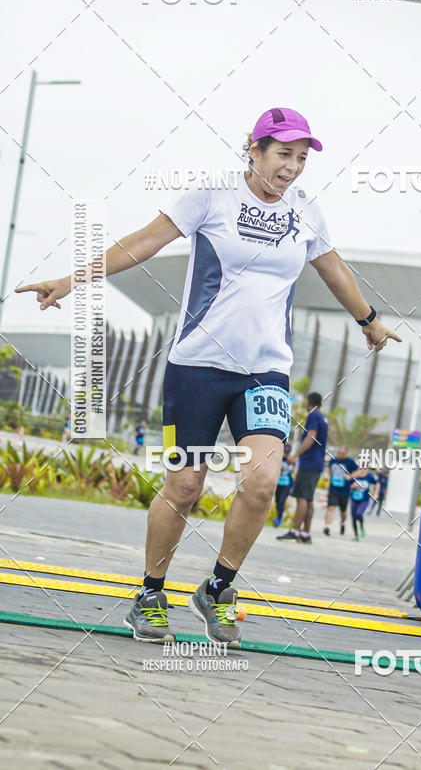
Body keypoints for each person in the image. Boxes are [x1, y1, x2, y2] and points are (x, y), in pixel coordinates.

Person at [15, 106, 401, 646]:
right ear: (255, 150)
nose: (292, 167)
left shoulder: (306, 211)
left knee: (263, 482)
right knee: (185, 484)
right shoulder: (210, 197)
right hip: (195, 367)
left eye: (301, 157)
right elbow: (142, 242)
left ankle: (218, 589)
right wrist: (72, 278)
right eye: (283, 154)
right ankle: (150, 594)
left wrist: (369, 321)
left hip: (265, 371)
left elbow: (333, 269)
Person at [277, 392, 328, 544]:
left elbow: (311, 437)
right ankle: (305, 533)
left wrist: (296, 455)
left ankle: (294, 530)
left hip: (309, 462)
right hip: (317, 463)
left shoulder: (313, 415)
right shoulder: (323, 418)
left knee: (301, 498)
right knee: (309, 498)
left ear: (309, 402)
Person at [323, 444, 357, 536]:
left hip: (344, 491)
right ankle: (327, 527)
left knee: (343, 512)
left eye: (342, 453)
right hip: (333, 489)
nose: (340, 455)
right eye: (338, 453)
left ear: (346, 453)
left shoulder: (350, 462)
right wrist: (327, 475)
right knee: (330, 507)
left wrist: (350, 476)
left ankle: (342, 523)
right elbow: (328, 469)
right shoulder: (333, 460)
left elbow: (358, 472)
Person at [348, 464, 380, 541]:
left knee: (359, 514)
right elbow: (348, 486)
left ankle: (362, 527)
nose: (362, 470)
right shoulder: (355, 476)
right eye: (360, 468)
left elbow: (377, 483)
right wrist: (352, 486)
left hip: (364, 499)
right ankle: (355, 535)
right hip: (354, 498)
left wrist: (376, 493)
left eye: (364, 468)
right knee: (354, 517)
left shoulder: (370, 477)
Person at [273, 442, 294, 527]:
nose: (286, 453)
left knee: (281, 502)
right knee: (277, 502)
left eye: (287, 452)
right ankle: (280, 516)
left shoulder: (292, 461)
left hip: (286, 485)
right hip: (277, 484)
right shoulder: (279, 459)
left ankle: (278, 519)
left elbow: (293, 472)